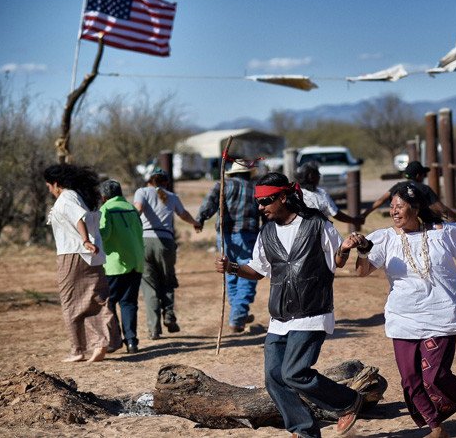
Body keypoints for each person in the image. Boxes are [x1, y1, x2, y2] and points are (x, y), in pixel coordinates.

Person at [215, 173, 362, 438]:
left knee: (294, 373)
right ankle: (304, 430)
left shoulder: (317, 225)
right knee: (274, 377)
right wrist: (232, 267)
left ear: (283, 197)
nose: (260, 207)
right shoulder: (266, 232)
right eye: (258, 202)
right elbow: (258, 270)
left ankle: (347, 402)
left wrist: (345, 249)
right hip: (279, 317)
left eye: (265, 201)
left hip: (312, 312)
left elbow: (337, 261)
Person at [347, 181, 456, 437]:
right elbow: (362, 272)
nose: (394, 211)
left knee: (435, 375)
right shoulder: (384, 238)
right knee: (410, 380)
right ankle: (436, 428)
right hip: (403, 318)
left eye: (400, 206)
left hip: (441, 314)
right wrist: (362, 252)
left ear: (416, 208)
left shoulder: (443, 233)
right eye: (391, 206)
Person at [44, 164, 121, 363]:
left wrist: (85, 240)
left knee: (71, 302)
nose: (50, 191)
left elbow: (79, 218)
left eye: (49, 186)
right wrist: (87, 242)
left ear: (56, 183)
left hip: (73, 254)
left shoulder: (66, 197)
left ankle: (78, 349)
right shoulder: (80, 196)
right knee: (97, 299)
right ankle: (102, 342)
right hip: (91, 255)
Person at [134, 168, 202, 340]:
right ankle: (169, 315)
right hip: (166, 242)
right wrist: (195, 222)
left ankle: (154, 329)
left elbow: (138, 210)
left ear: (149, 180)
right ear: (166, 182)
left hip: (144, 242)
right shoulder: (172, 197)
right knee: (167, 280)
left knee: (150, 286)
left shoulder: (142, 192)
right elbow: (183, 214)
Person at [197, 161, 261, 332]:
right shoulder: (255, 188)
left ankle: (238, 312)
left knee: (230, 271)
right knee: (247, 272)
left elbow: (209, 203)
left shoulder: (223, 185)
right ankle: (238, 315)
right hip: (248, 235)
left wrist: (200, 219)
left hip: (225, 237)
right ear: (248, 173)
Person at [99, 179, 144, 354]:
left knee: (108, 303)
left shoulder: (106, 209)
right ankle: (131, 342)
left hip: (115, 265)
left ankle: (115, 339)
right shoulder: (132, 208)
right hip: (136, 262)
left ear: (103, 196)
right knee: (129, 303)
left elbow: (104, 234)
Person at [361, 161, 456, 223]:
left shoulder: (398, 186)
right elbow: (442, 209)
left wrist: (364, 215)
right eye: (423, 174)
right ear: (418, 176)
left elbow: (380, 201)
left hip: (403, 223)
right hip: (425, 225)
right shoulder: (424, 189)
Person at [295, 161, 363, 225]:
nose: (319, 176)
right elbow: (336, 214)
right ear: (311, 177)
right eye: (318, 174)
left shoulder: (295, 194)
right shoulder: (321, 194)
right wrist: (354, 220)